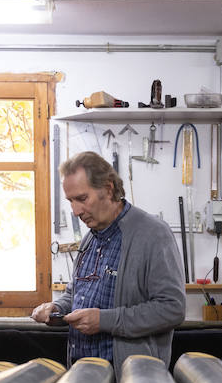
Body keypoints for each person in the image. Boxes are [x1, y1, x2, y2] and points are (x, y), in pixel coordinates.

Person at [31, 151, 185, 367]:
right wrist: (56, 309)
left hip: (130, 381)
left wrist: (105, 321)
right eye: (70, 201)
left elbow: (172, 309)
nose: (75, 211)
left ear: (108, 188)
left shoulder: (153, 234)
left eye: (82, 199)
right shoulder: (89, 241)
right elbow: (75, 296)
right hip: (82, 374)